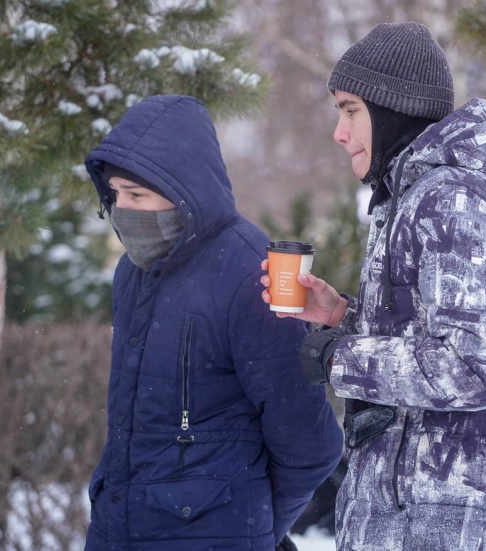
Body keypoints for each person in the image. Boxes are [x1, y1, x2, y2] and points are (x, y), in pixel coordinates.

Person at [261, 22, 486, 550]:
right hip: (417, 513)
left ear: (394, 110)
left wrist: (341, 358)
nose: (339, 133)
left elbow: (474, 366)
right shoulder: (415, 197)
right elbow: (429, 341)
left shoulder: (449, 200)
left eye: (350, 111)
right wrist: (342, 316)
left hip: (446, 521)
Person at [81, 94, 342, 551]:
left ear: (183, 189)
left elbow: (310, 444)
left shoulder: (250, 273)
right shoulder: (132, 272)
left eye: (137, 194)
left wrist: (250, 530)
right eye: (115, 195)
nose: (122, 210)